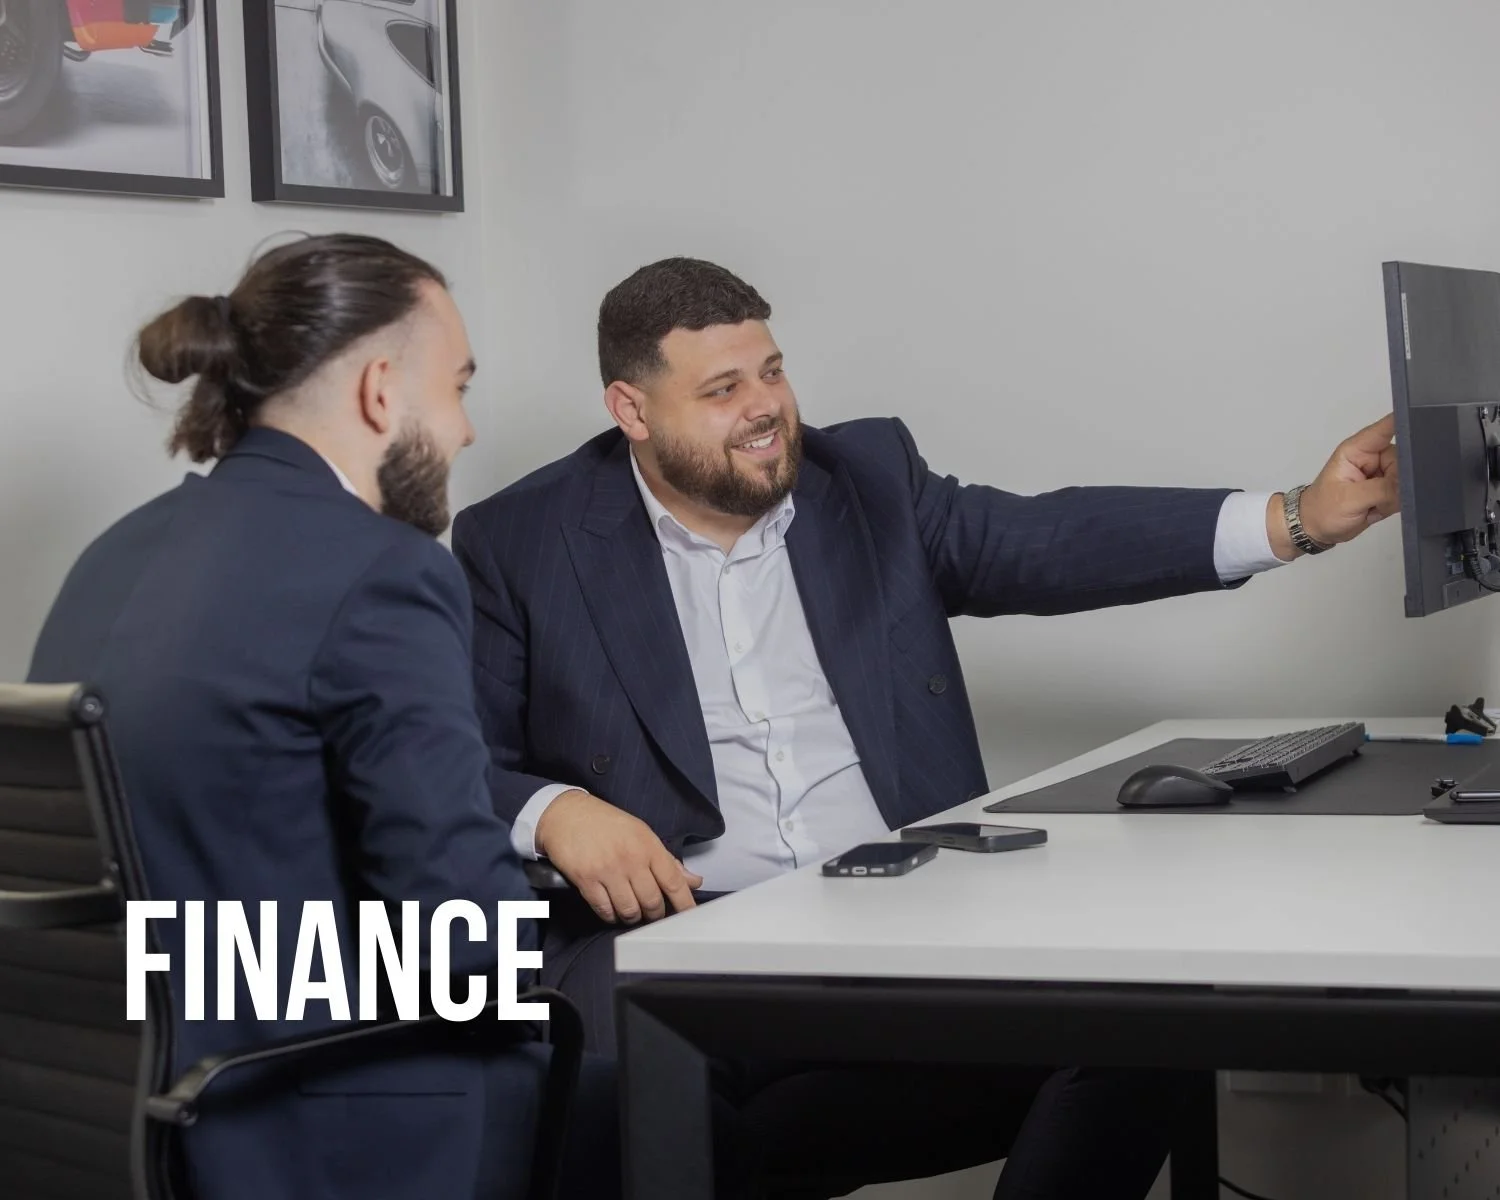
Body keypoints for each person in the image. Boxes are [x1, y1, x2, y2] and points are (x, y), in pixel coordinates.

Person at [451, 256, 1399, 1199]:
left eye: (773, 371)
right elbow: (449, 759)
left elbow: (1046, 541)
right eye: (723, 388)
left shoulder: (866, 479)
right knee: (608, 1105)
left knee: (1159, 1014)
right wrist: (556, 810)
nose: (766, 407)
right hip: (683, 947)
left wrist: (1297, 518)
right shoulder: (523, 540)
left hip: (898, 915)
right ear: (632, 409)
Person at [26, 234, 619, 1200]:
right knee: (671, 1101)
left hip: (129, 1114)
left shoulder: (111, 556)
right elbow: (463, 938)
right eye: (457, 388)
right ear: (383, 390)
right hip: (322, 1116)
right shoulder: (385, 569)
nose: (466, 430)